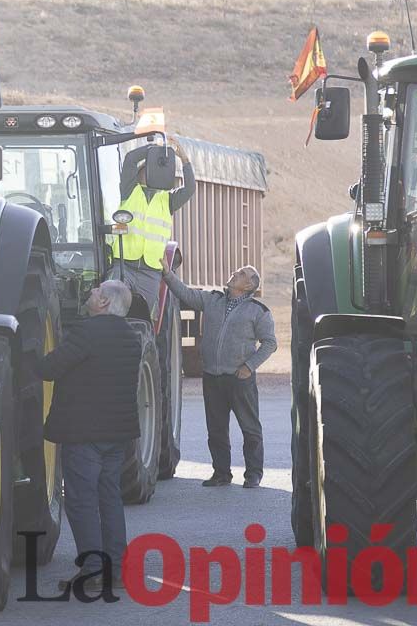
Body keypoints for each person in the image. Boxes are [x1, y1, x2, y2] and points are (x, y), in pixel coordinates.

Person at [38, 280, 141, 591]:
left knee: (82, 501)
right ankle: (117, 568)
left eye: (96, 292)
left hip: (85, 434)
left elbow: (50, 368)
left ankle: (93, 566)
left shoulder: (87, 332)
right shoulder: (132, 337)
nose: (90, 294)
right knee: (109, 497)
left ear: (105, 303)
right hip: (117, 434)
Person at [160, 258, 276, 488]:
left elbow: (270, 343)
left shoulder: (258, 311)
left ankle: (253, 474)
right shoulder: (213, 300)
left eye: (242, 273)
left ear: (249, 285)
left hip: (239, 379)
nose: (235, 272)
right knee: (216, 429)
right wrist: (167, 274)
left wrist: (248, 367)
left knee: (250, 428)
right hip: (212, 377)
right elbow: (186, 294)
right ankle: (221, 474)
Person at [111, 138, 195, 317]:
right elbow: (131, 159)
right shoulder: (130, 190)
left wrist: (184, 160)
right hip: (124, 265)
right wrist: (155, 149)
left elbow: (189, 189)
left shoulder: (168, 200)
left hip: (150, 272)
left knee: (144, 318)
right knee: (113, 311)